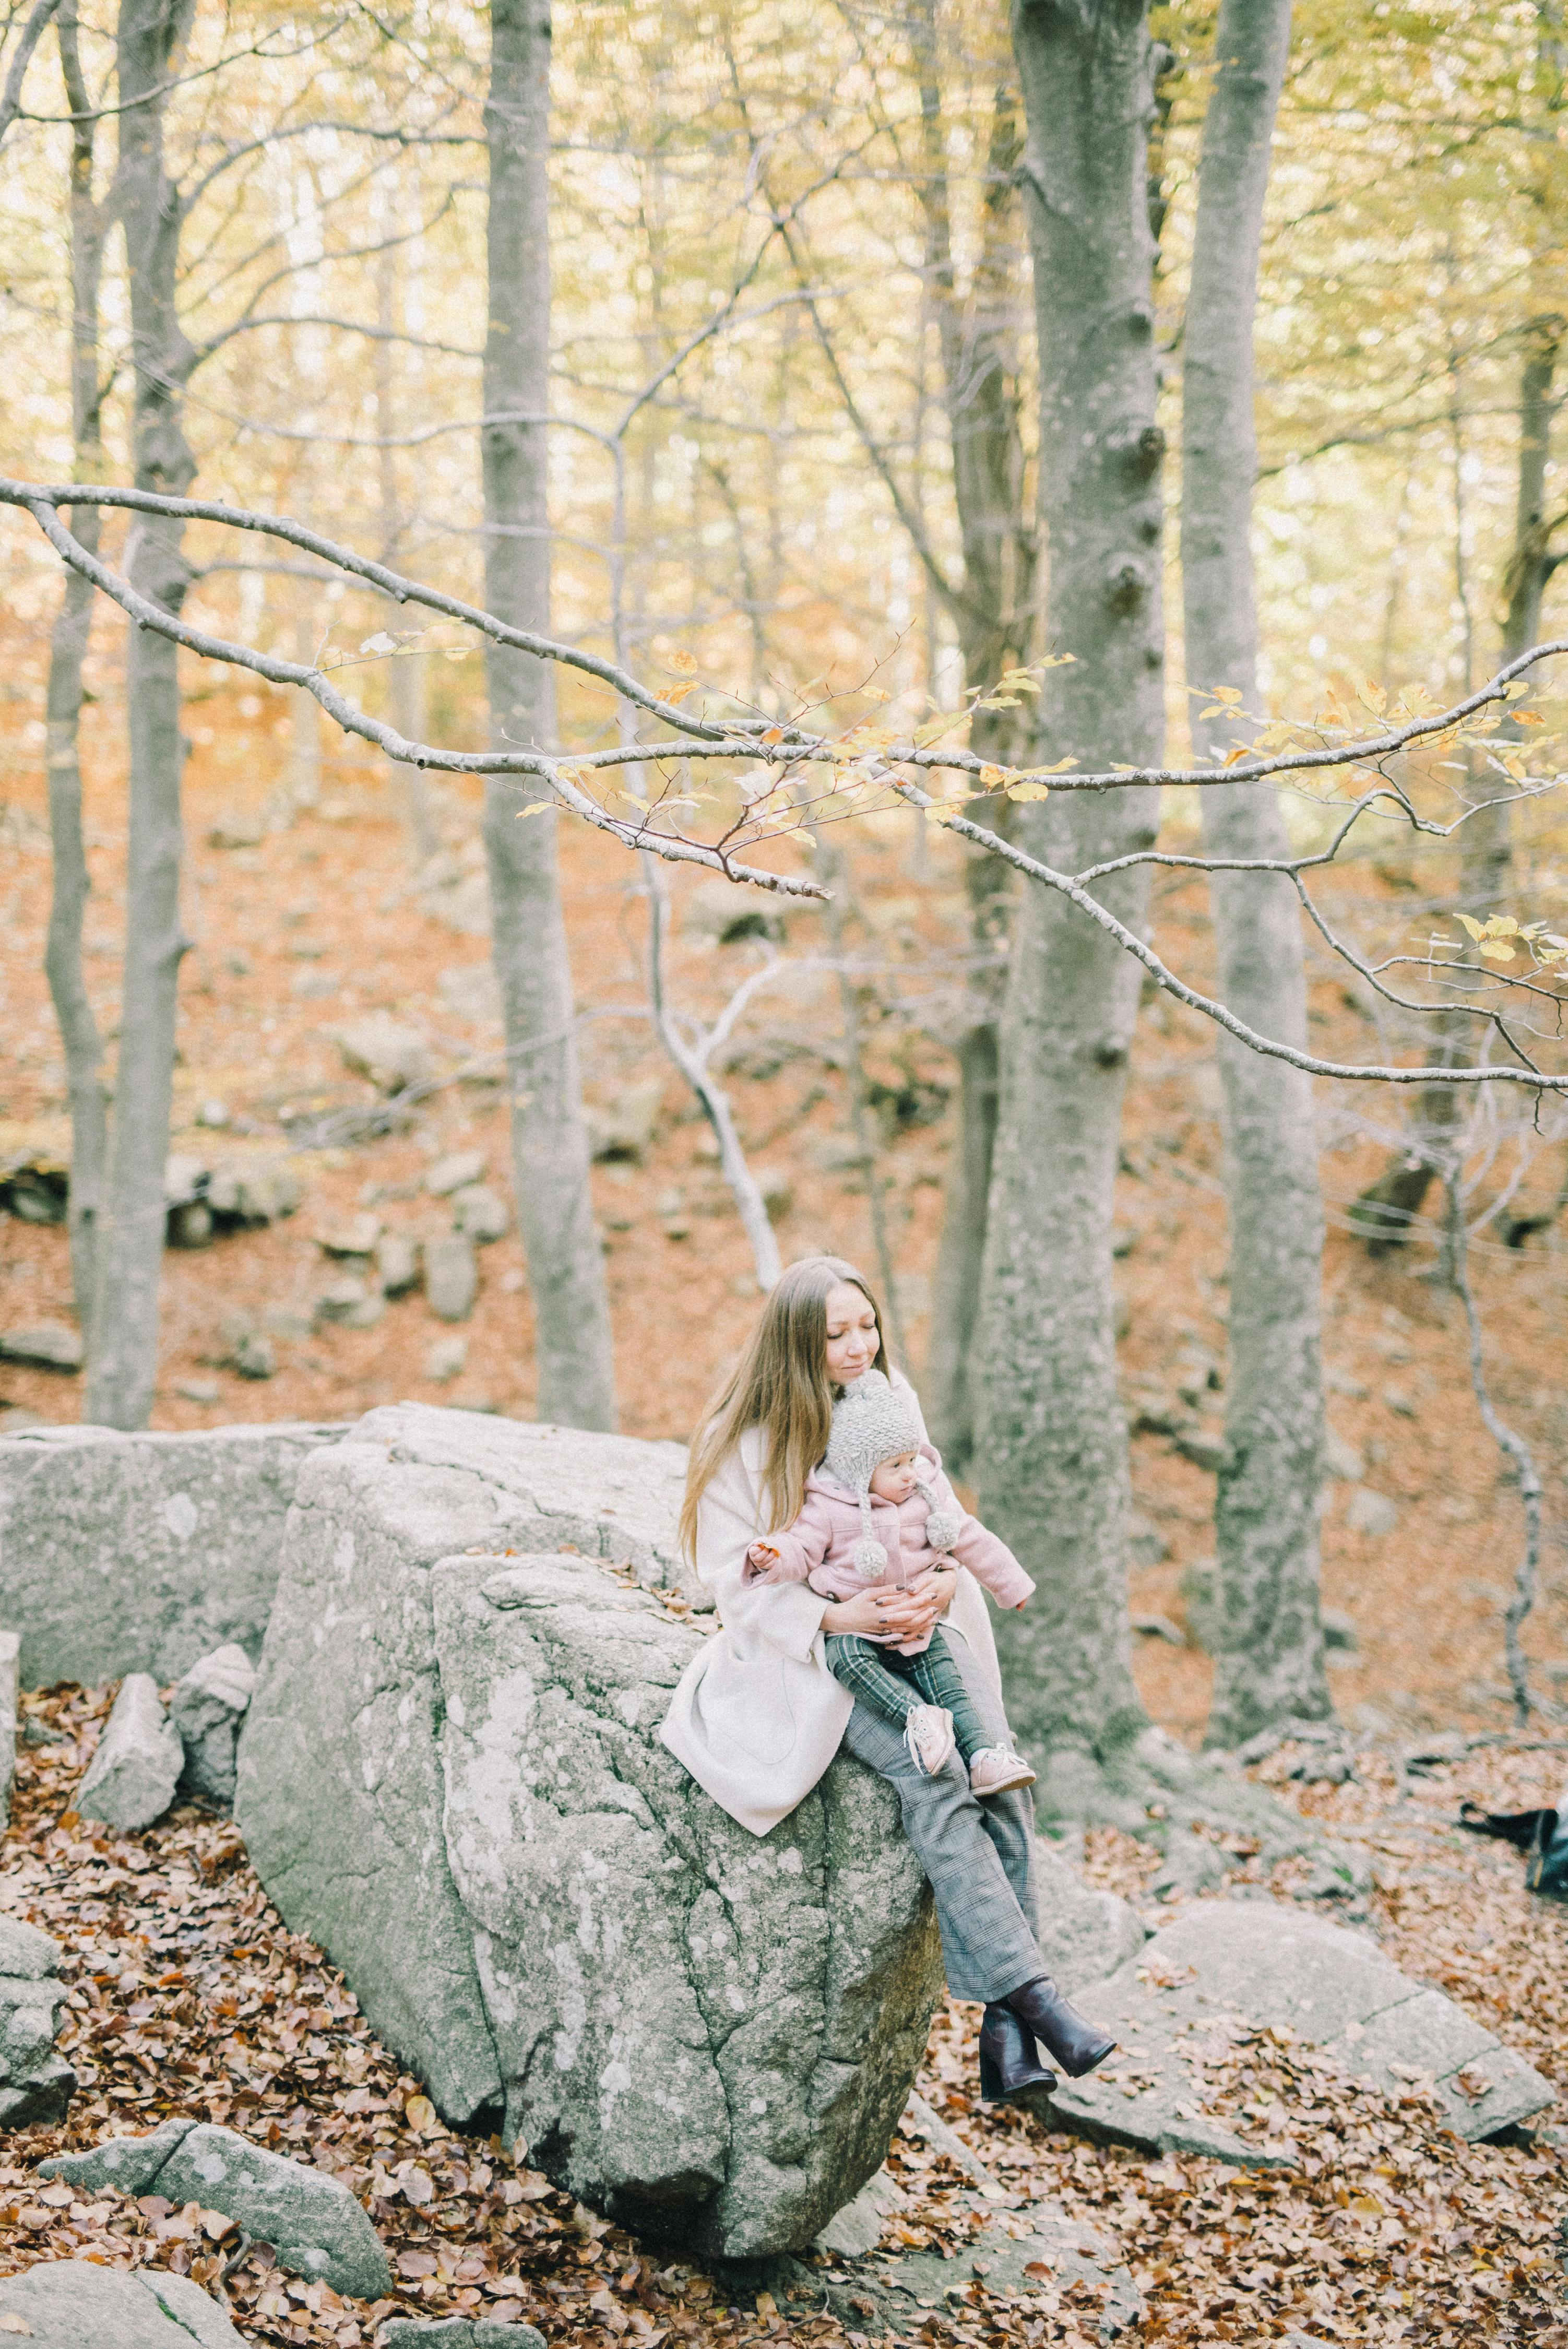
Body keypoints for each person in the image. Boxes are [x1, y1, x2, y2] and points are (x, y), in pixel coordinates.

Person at [660, 1253, 1116, 2105]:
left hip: (922, 1628)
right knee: (932, 1773)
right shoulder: (745, 1442)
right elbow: (735, 1583)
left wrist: (944, 1582)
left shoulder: (888, 1400)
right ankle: (1036, 2004)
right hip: (821, 1661)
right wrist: (835, 1617)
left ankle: (1007, 2032)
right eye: (834, 1334)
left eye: (865, 1325)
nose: (856, 1345)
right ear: (795, 1344)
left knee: (1000, 1774)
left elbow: (937, 1516)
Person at [742, 1366, 1038, 1795]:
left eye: (912, 1461)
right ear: (861, 1473)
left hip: (918, 1627)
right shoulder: (829, 1508)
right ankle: (918, 1717)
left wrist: (1010, 1585)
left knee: (949, 1683)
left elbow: (971, 1537)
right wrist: (772, 1556)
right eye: (895, 1465)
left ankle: (984, 1758)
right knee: (846, 1661)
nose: (909, 1474)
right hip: (858, 1631)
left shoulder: (925, 1499)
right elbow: (801, 1547)